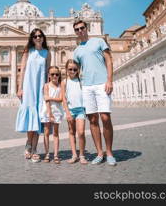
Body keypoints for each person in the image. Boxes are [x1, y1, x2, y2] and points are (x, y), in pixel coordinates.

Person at [73, 20, 116, 166]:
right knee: (92, 120)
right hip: (87, 86)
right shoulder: (77, 50)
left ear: (87, 28)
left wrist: (109, 80)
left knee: (105, 117)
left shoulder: (99, 41)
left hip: (102, 83)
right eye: (77, 29)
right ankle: (99, 153)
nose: (80, 31)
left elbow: (109, 61)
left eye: (82, 28)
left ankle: (109, 152)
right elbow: (75, 70)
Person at [16, 28, 51, 163]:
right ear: (32, 38)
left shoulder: (47, 53)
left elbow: (48, 73)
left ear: (43, 38)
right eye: (35, 36)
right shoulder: (27, 51)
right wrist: (20, 88)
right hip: (29, 87)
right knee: (31, 116)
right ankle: (29, 144)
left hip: (41, 88)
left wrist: (48, 91)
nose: (38, 38)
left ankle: (34, 149)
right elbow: (22, 70)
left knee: (38, 117)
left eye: (40, 36)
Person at [61, 59, 88, 165]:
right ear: (66, 69)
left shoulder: (82, 81)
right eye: (70, 69)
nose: (72, 71)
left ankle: (82, 155)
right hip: (70, 110)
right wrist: (67, 112)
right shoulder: (64, 82)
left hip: (81, 109)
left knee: (81, 132)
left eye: (75, 69)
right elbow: (63, 98)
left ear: (78, 70)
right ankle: (74, 155)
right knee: (72, 132)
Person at [41, 66, 63, 164]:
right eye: (52, 74)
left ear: (59, 75)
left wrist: (49, 98)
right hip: (47, 111)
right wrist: (49, 113)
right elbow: (46, 101)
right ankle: (47, 154)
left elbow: (61, 99)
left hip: (57, 111)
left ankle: (56, 155)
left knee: (56, 133)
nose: (54, 76)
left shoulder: (60, 85)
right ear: (49, 75)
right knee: (46, 133)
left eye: (56, 74)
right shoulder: (46, 85)